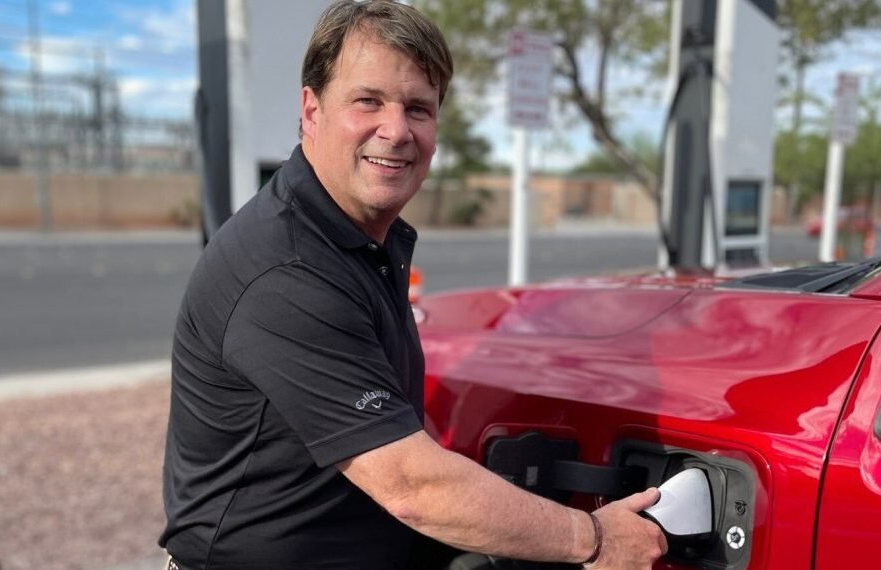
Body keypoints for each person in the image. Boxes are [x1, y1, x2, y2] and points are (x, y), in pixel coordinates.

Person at [159, 1, 667, 569]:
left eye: (418, 108)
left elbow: (397, 431)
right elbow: (411, 486)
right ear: (312, 110)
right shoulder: (287, 270)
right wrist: (593, 537)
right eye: (368, 101)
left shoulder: (358, 240)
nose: (396, 130)